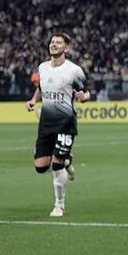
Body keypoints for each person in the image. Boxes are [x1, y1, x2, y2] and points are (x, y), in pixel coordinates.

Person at [26, 33, 90, 217]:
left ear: (66, 48)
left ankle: (59, 205)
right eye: (52, 42)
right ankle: (67, 159)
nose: (54, 44)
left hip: (65, 122)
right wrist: (33, 100)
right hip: (46, 123)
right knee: (40, 167)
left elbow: (86, 93)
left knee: (56, 166)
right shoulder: (43, 68)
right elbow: (41, 88)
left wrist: (82, 97)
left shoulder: (74, 70)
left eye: (58, 42)